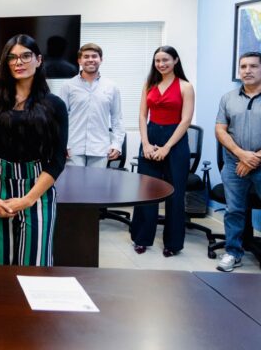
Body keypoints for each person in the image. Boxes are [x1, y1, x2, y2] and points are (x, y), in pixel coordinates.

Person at [0, 35, 68, 266]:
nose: (19, 62)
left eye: (26, 56)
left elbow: (58, 159)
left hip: (37, 190)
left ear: (38, 60)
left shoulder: (55, 105)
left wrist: (29, 199)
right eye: (12, 57)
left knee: (34, 266)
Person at [130, 46, 194, 257]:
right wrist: (146, 144)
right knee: (147, 193)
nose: (161, 64)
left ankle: (173, 244)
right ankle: (141, 238)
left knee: (174, 195)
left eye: (165, 59)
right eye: (157, 60)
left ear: (175, 60)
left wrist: (167, 147)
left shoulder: (185, 87)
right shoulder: (149, 84)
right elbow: (142, 116)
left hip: (175, 142)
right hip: (151, 135)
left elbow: (186, 121)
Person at [214, 51, 261, 272]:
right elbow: (220, 130)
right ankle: (233, 253)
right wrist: (241, 154)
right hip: (235, 164)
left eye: (253, 66)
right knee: (234, 210)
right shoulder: (228, 98)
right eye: (243, 67)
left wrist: (254, 158)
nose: (247, 71)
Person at [59, 43, 125, 168]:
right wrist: (63, 144)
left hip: (100, 149)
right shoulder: (67, 86)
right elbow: (60, 119)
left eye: (94, 56)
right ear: (79, 60)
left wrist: (116, 144)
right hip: (73, 149)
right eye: (86, 56)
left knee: (96, 187)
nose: (90, 60)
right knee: (74, 187)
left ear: (101, 60)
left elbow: (117, 119)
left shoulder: (112, 87)